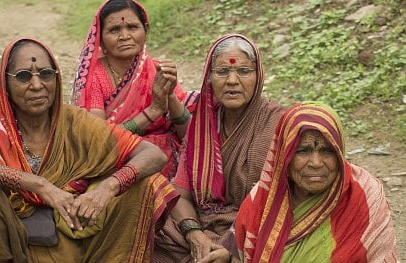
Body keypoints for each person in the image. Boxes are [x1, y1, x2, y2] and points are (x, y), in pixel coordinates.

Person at [0, 38, 180, 262]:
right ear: (5, 83)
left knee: (144, 183)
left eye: (46, 74)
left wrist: (108, 188)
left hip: (68, 241)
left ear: (56, 78)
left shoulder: (75, 122)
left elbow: (152, 154)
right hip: (8, 240)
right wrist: (39, 185)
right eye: (23, 76)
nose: (37, 85)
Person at [154, 33, 285, 263]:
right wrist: (194, 234)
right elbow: (180, 194)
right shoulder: (203, 125)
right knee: (145, 230)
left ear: (258, 77)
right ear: (209, 79)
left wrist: (231, 246)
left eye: (244, 71)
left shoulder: (276, 124)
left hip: (251, 231)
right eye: (222, 72)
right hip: (202, 228)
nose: (232, 80)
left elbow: (279, 201)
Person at [233, 101, 398, 262]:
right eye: (303, 151)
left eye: (327, 151)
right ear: (285, 156)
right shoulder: (262, 201)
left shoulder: (366, 198)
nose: (316, 163)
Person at [71, 0, 197, 179]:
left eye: (132, 27)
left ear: (146, 30)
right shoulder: (92, 77)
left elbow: (188, 135)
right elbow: (100, 141)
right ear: (100, 38)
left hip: (168, 156)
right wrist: (152, 112)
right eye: (114, 30)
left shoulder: (156, 69)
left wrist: (169, 95)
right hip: (121, 159)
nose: (125, 36)